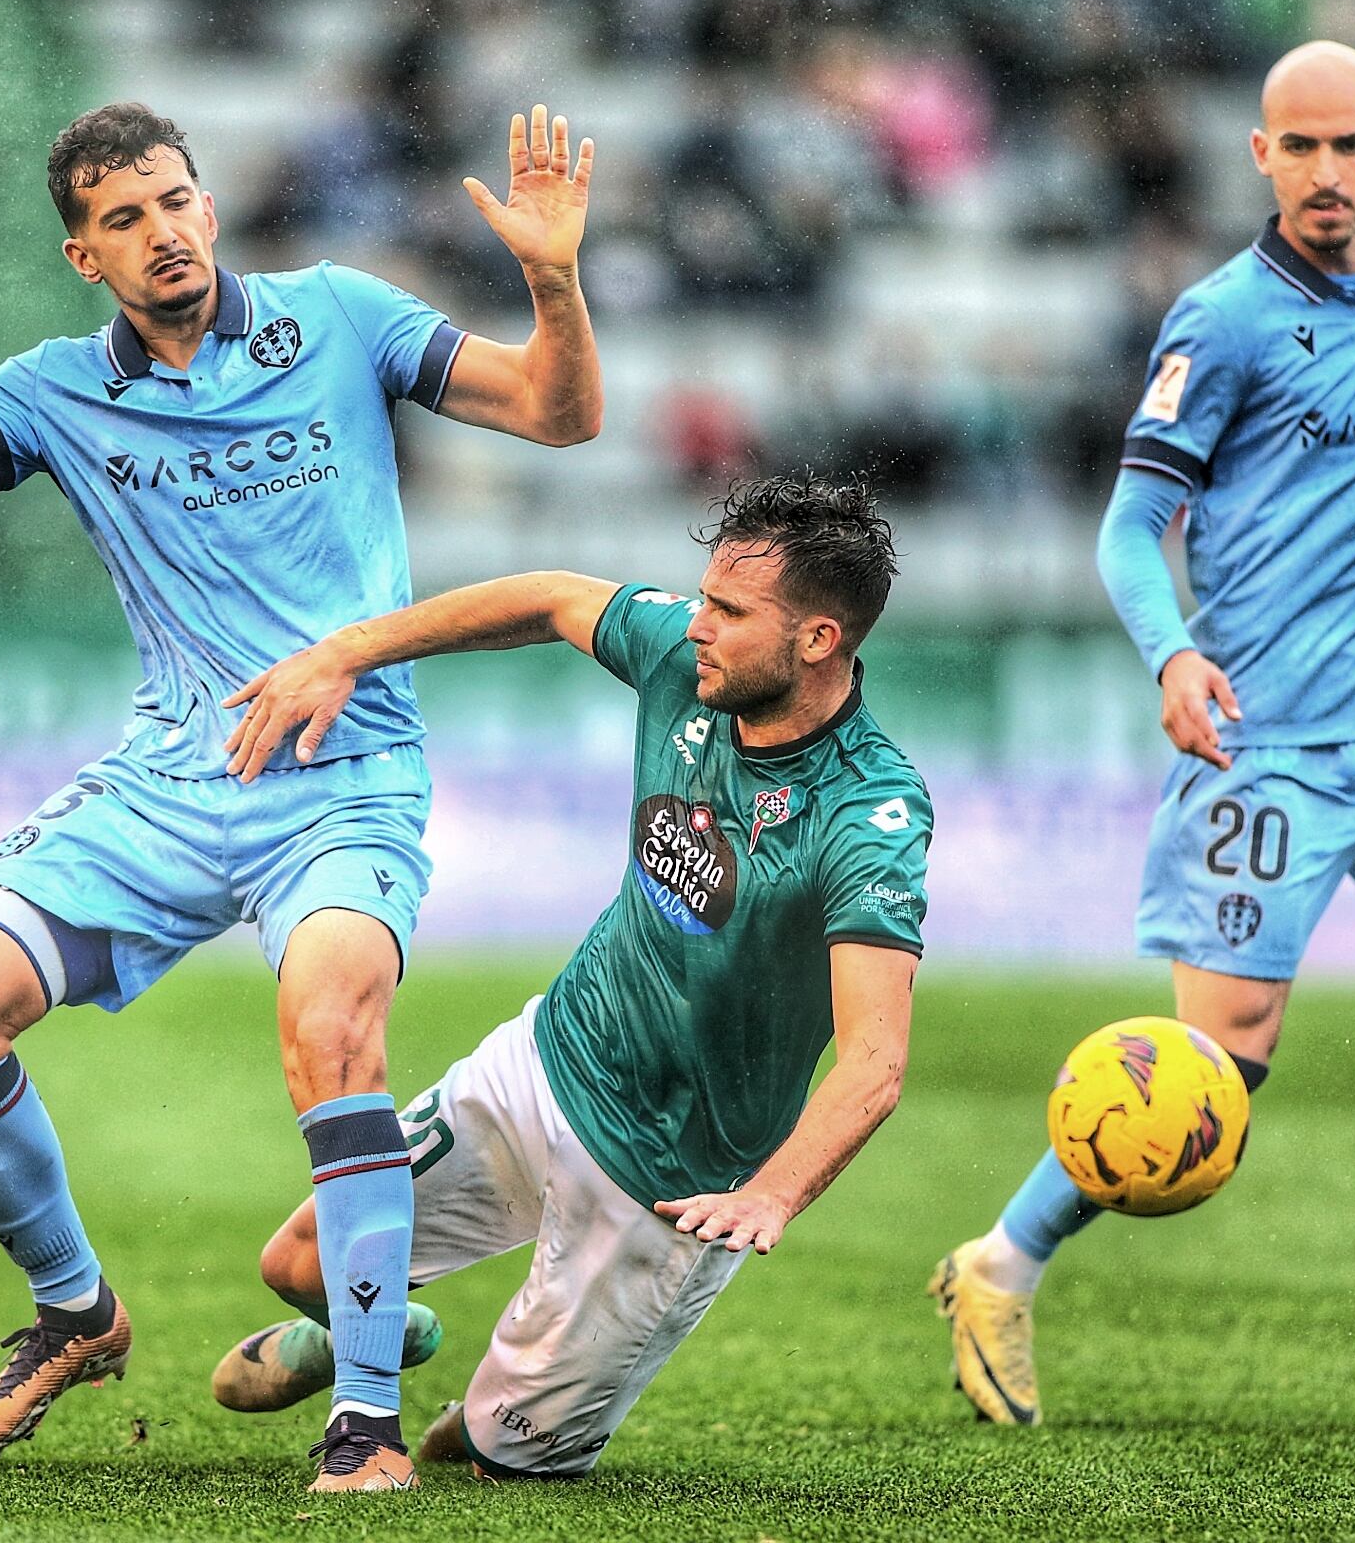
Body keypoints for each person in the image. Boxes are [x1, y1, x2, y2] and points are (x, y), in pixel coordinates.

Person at [0, 101, 603, 1487]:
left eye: (175, 200)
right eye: (123, 218)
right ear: (83, 256)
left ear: (209, 206)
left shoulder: (341, 319)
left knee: (332, 1035)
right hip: (169, 782)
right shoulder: (59, 390)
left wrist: (551, 275)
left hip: (344, 778)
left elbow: (558, 412)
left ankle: (361, 1422)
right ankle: (75, 1313)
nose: (160, 231)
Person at [930, 42, 1355, 1434]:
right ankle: (1000, 1260)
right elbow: (1131, 527)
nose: (1322, 171)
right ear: (1259, 156)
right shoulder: (1221, 321)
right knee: (1211, 1083)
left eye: (1346, 146)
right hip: (1271, 749)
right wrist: (1174, 653)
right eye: (1296, 148)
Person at [208, 475, 932, 1486]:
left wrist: (769, 1194)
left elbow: (874, 1060)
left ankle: (501, 1404)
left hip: (669, 1179)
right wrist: (346, 651)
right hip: (553, 1055)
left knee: (496, 1455)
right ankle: (387, 1337)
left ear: (816, 639)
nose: (697, 626)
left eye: (728, 612)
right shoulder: (690, 661)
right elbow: (549, 596)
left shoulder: (867, 811)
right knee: (296, 1262)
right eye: (701, 598)